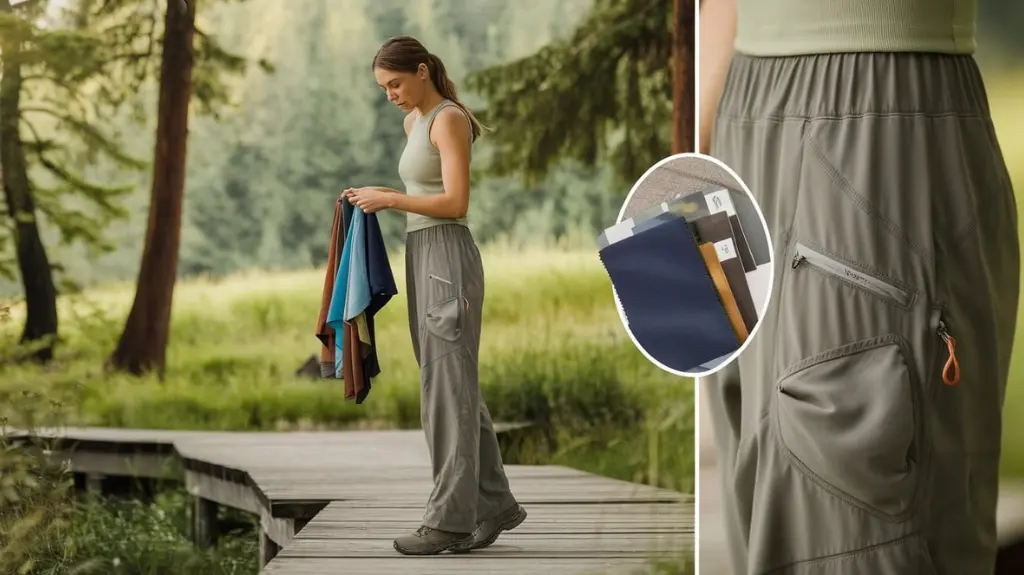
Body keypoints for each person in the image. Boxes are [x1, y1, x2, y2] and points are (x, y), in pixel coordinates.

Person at [698, 1, 1019, 574]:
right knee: (770, 517)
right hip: (740, 105)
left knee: (852, 529)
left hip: (877, 101)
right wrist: (695, 151)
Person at [342, 35, 527, 556]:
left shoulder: (449, 118)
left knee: (447, 388)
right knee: (450, 382)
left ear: (422, 71)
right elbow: (422, 195)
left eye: (395, 84)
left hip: (448, 256)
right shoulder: (413, 123)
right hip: (421, 252)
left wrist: (392, 198)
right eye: (383, 88)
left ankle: (447, 521)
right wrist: (372, 199)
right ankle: (495, 505)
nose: (391, 96)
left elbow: (455, 200)